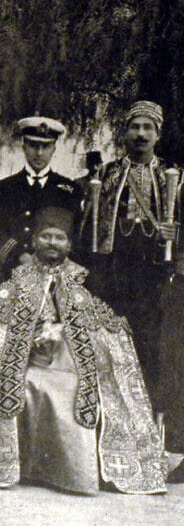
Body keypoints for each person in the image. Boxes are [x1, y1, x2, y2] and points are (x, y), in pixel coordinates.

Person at [0, 206, 166, 495]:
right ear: (34, 241)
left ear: (70, 245)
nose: (52, 243)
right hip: (28, 362)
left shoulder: (85, 279)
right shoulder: (17, 279)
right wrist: (27, 342)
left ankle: (72, 475)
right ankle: (28, 468)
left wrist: (66, 334)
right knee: (24, 386)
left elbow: (106, 330)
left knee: (74, 392)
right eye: (45, 236)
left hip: (73, 364)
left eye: (59, 238)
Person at [82, 100, 178, 396]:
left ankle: (149, 418)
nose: (141, 134)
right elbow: (87, 228)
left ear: (158, 134)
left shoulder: (175, 177)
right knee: (110, 347)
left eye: (148, 127)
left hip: (154, 274)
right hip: (114, 273)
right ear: (124, 133)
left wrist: (176, 232)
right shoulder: (106, 175)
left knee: (150, 346)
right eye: (134, 127)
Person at [0, 116, 82, 286]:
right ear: (24, 147)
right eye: (33, 145)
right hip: (13, 273)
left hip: (57, 276)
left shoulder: (70, 190)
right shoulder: (5, 188)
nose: (39, 153)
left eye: (45, 146)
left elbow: (77, 235)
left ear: (53, 149)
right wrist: (20, 256)